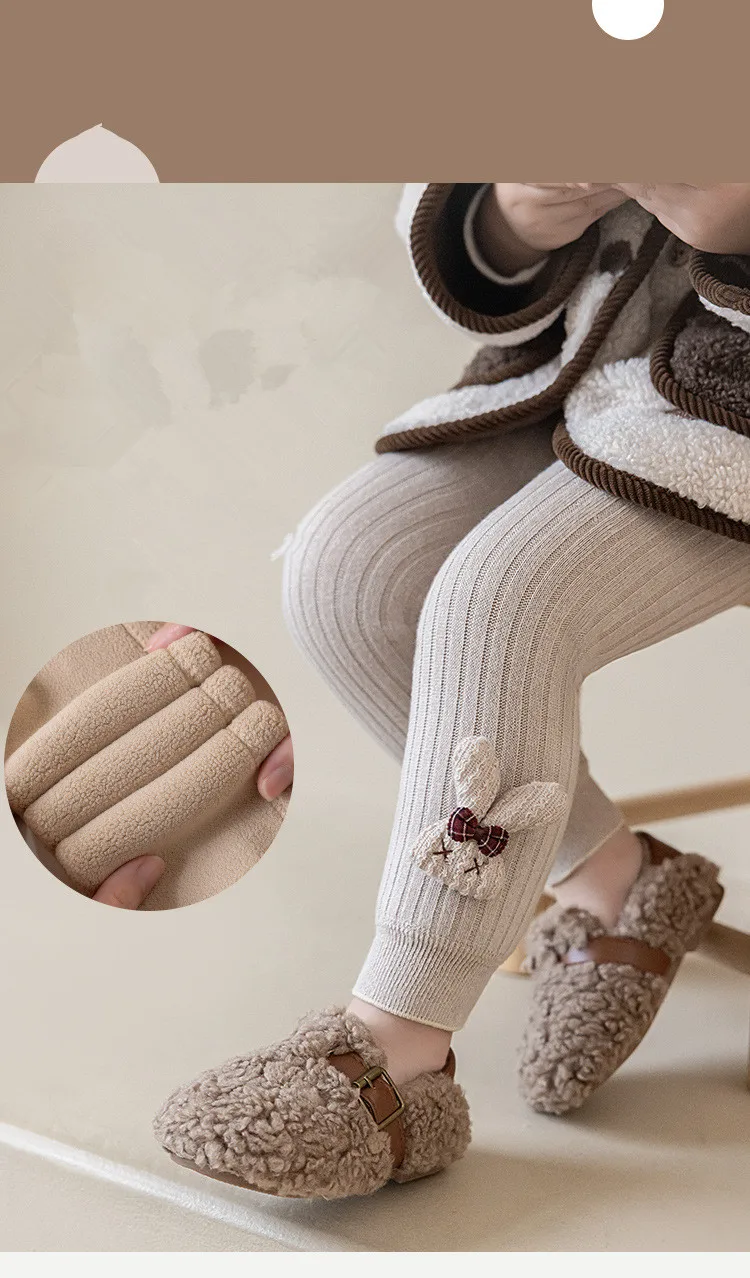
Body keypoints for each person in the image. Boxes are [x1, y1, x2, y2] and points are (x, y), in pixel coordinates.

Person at [154, 184, 750, 1199]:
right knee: (344, 575)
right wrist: (514, 213)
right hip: (575, 376)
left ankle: (398, 1055)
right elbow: (450, 206)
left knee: (502, 602)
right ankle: (614, 877)